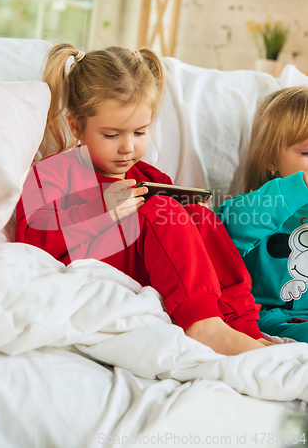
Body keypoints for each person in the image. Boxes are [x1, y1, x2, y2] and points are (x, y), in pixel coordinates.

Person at [16, 43, 270, 355]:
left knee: (199, 216)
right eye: (112, 135)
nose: (127, 147)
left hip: (158, 271)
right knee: (163, 209)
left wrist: (189, 222)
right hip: (100, 265)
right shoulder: (53, 173)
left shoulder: (149, 176)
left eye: (140, 133)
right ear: (76, 126)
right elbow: (31, 239)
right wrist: (100, 209)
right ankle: (203, 324)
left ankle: (242, 327)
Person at [217, 85, 308, 343]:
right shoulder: (254, 206)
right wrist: (298, 186)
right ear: (271, 160)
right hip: (273, 320)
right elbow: (227, 231)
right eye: (307, 152)